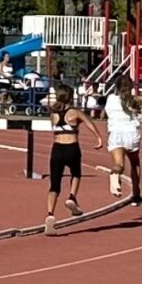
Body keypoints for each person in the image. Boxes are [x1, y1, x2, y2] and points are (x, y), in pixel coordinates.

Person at [44, 84, 104, 236]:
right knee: (76, 174)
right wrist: (98, 137)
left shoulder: (53, 114)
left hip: (57, 149)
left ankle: (50, 214)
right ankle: (72, 197)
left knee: (54, 185)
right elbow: (89, 123)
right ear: (71, 97)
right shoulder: (75, 113)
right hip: (72, 148)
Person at [104, 75, 142, 206]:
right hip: (131, 133)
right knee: (135, 163)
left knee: (119, 165)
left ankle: (114, 176)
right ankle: (136, 193)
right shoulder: (133, 100)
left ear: (117, 87)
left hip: (116, 133)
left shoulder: (111, 99)